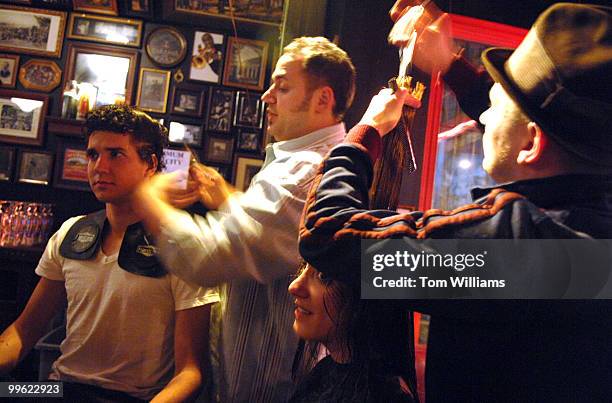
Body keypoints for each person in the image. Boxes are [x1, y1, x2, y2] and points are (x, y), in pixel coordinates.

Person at [299, 3, 612, 402]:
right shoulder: (588, 234)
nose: (483, 116)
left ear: (532, 143)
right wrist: (449, 65)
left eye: (496, 106)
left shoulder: (512, 257)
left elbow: (327, 235)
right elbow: (530, 129)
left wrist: (367, 132)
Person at [133, 36, 356, 402]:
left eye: (282, 87)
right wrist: (229, 198)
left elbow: (205, 256)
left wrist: (148, 197)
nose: (267, 96)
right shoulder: (306, 162)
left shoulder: (304, 171)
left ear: (322, 100)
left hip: (269, 390)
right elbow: (280, 240)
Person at [0, 105, 219, 402]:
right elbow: (23, 332)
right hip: (56, 389)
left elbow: (192, 372)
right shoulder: (71, 232)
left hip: (129, 398)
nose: (99, 167)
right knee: (11, 393)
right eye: (93, 155)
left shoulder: (181, 245)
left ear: (150, 164)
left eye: (115, 154)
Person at [288, 262, 416, 402]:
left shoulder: (384, 396)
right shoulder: (323, 372)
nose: (294, 286)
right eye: (303, 266)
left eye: (323, 276)